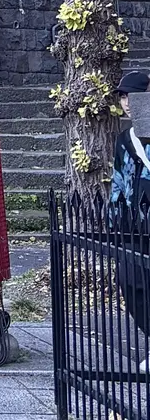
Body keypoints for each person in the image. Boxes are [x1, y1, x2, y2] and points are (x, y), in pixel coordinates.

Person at [111, 68, 150, 362]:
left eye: (132, 95)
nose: (126, 102)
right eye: (123, 97)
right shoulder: (125, 139)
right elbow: (118, 180)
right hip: (133, 225)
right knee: (130, 280)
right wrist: (114, 219)